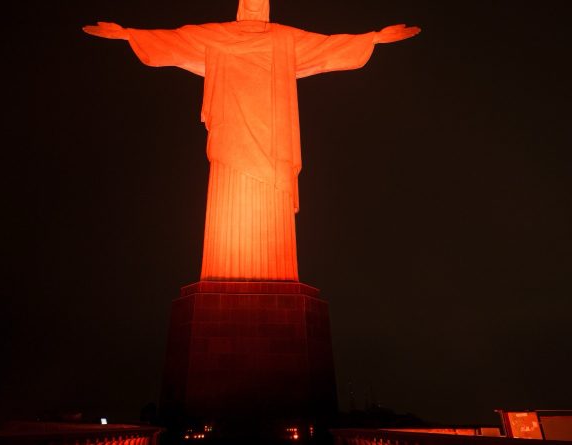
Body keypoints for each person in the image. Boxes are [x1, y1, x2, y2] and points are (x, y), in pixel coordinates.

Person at [84, 0, 419, 281]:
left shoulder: (283, 39)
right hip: (232, 137)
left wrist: (372, 39)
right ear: (242, 5)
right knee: (229, 206)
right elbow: (172, 41)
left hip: (273, 141)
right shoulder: (217, 36)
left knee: (269, 210)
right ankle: (223, 273)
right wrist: (127, 34)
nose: (256, 7)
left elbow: (328, 46)